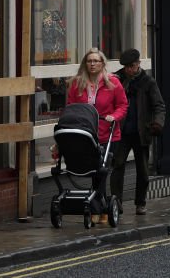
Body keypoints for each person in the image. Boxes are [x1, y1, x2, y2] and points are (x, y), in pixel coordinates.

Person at [66, 48, 128, 224]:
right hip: (86, 135)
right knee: (96, 172)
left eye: (96, 61)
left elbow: (123, 105)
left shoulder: (113, 83)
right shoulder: (77, 84)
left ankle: (97, 209)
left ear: (102, 64)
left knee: (101, 173)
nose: (92, 64)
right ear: (85, 64)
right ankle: (100, 208)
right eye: (89, 61)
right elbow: (71, 107)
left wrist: (113, 117)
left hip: (107, 134)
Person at [110, 49, 165, 216]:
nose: (129, 70)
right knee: (117, 166)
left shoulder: (148, 82)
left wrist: (157, 123)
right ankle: (116, 202)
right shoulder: (116, 80)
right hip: (121, 132)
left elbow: (159, 106)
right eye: (127, 67)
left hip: (142, 132)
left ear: (138, 64)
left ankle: (140, 203)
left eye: (132, 66)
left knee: (143, 171)